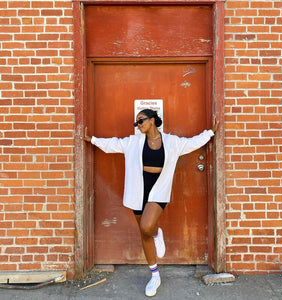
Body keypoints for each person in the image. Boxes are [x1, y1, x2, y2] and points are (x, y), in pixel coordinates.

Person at [83, 109, 218, 297]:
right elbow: (114, 144)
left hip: (158, 191)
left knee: (147, 226)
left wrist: (210, 133)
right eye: (136, 123)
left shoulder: (172, 142)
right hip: (138, 191)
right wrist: (93, 140)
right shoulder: (133, 142)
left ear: (152, 120)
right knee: (144, 232)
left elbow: (192, 143)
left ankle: (156, 231)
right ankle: (155, 275)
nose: (138, 125)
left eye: (141, 121)